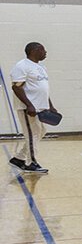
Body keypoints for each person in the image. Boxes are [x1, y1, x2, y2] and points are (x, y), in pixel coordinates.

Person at [9, 42, 52, 174]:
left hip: (40, 108)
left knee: (41, 131)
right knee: (33, 134)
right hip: (28, 108)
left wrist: (51, 106)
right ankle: (31, 163)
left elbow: (43, 88)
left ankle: (19, 158)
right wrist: (29, 105)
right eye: (43, 49)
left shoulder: (41, 67)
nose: (46, 52)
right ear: (34, 50)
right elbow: (16, 87)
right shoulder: (22, 66)